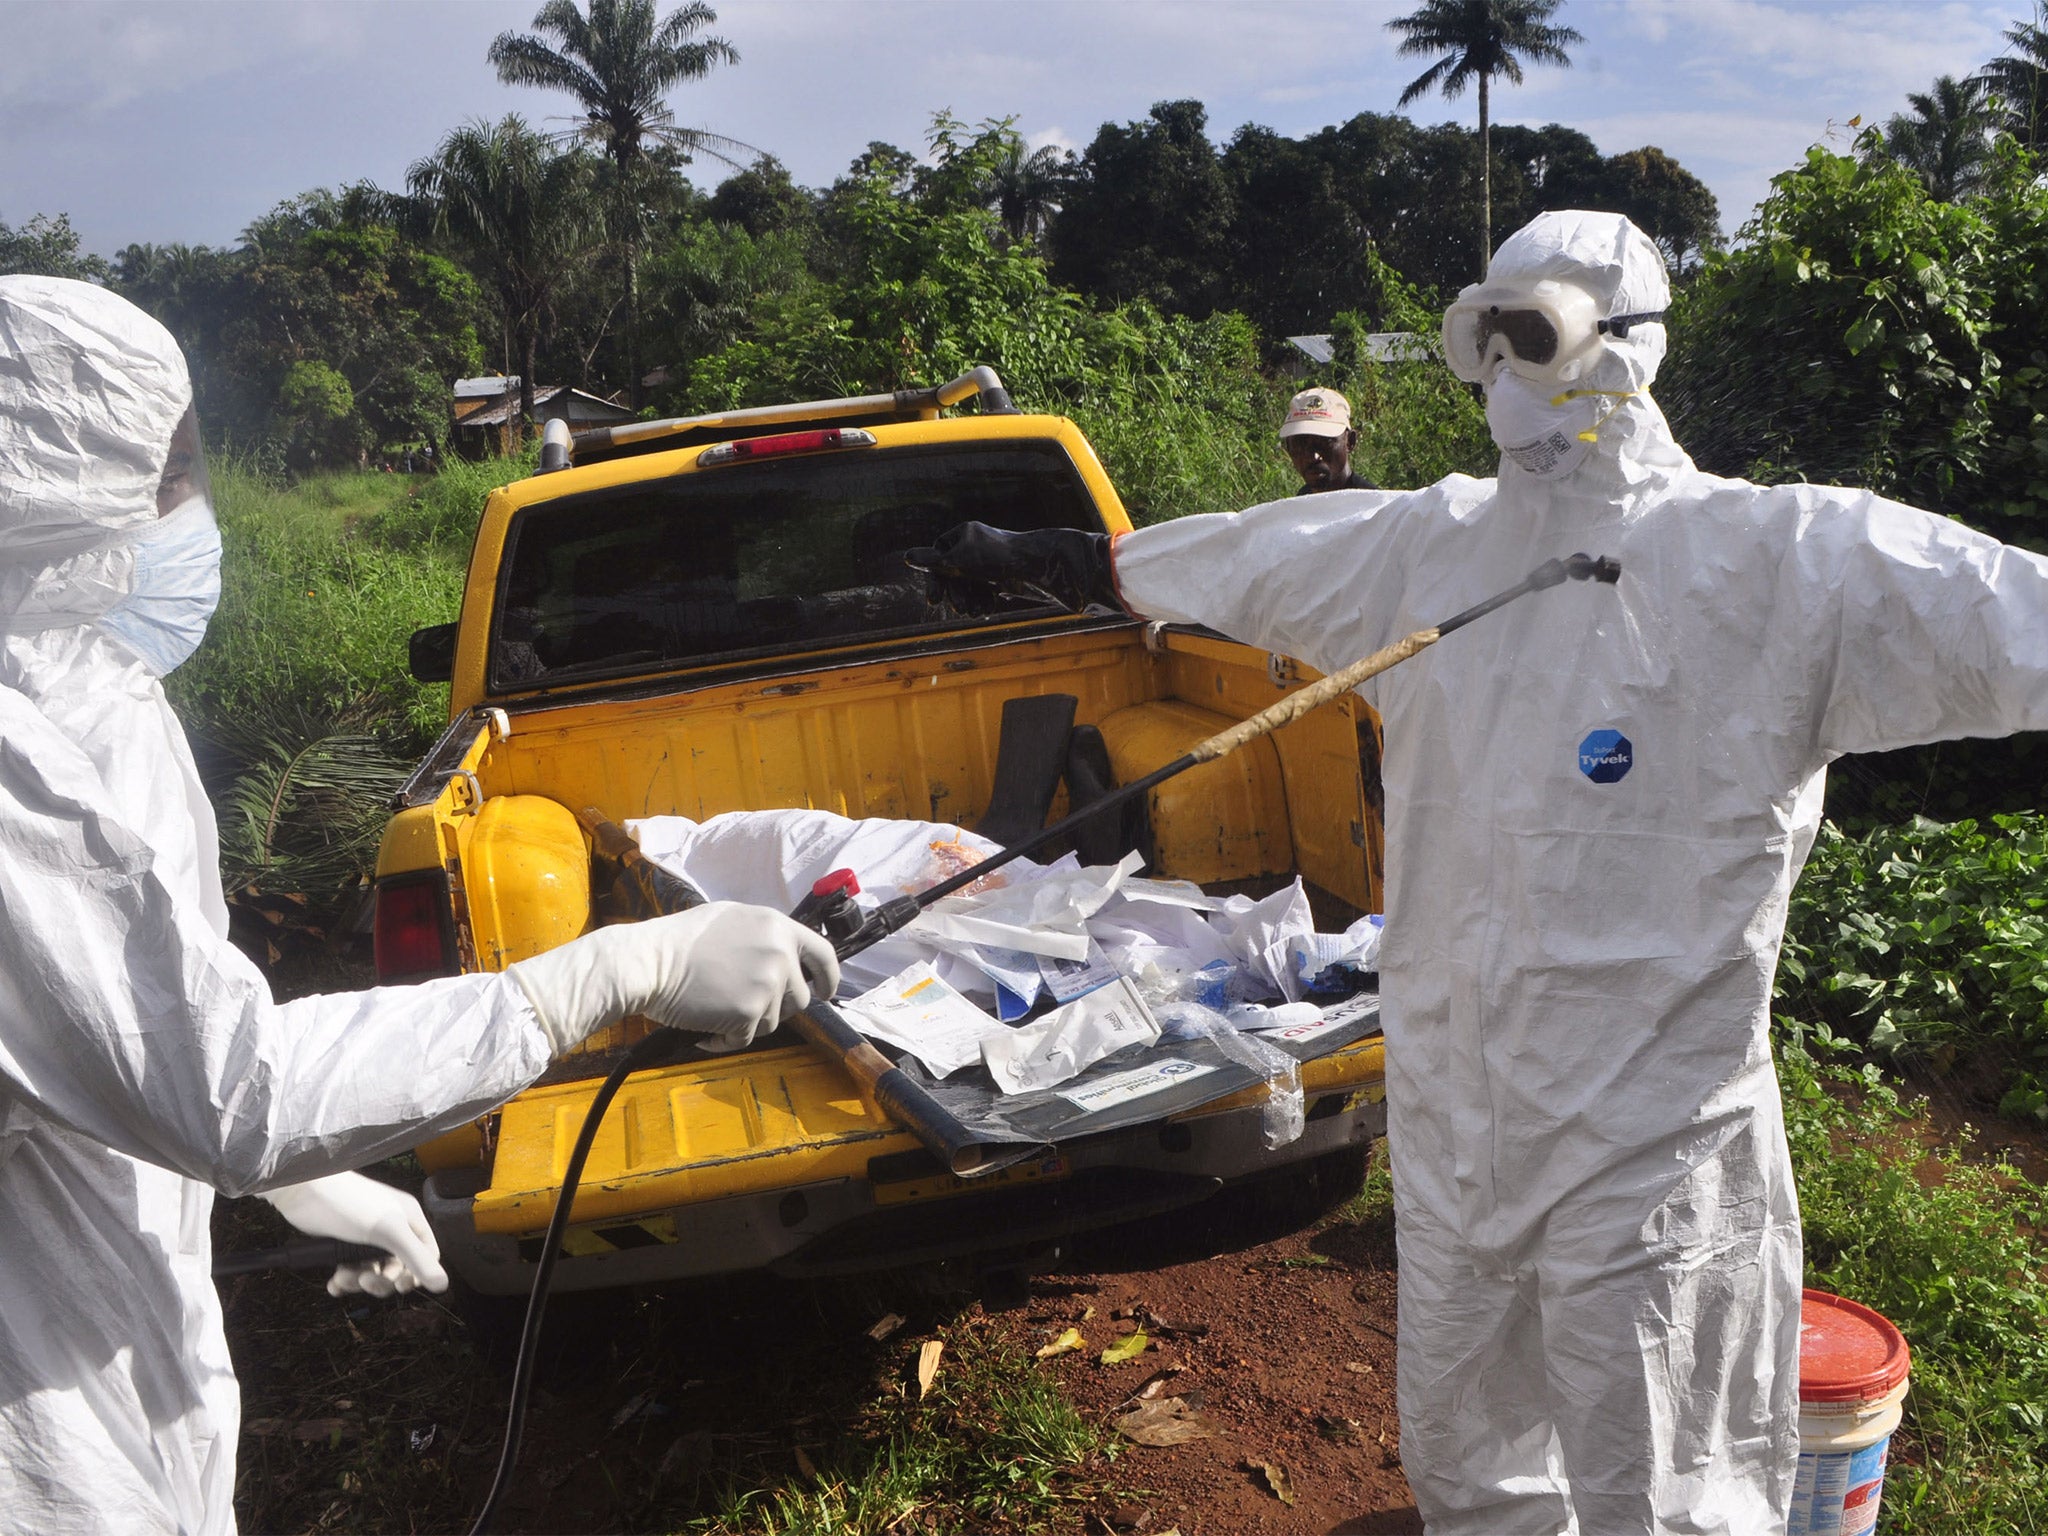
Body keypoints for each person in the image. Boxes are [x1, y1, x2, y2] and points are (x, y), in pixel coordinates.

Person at [912, 210, 2048, 1533]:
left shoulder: (1784, 561)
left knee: (1662, 1483)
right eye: (1486, 335)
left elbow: (2007, 614)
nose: (1504, 371)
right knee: (1476, 1466)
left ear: (1621, 349)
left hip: (1654, 1154)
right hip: (1461, 1125)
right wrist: (1075, 564)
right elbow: (1254, 555)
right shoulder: (1437, 544)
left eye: (1533, 333)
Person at [0, 275, 840, 1535]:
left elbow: (128, 1026)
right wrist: (607, 975)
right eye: (168, 473)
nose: (193, 511)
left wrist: (278, 1182)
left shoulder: (88, 689)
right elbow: (227, 1089)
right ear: (53, 505)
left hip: (108, 1304)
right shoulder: (16, 763)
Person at [1279, 386, 1375, 494]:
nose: (1313, 457)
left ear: (1349, 442)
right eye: (1300, 445)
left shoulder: (1374, 505)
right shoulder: (1302, 501)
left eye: (1324, 443)